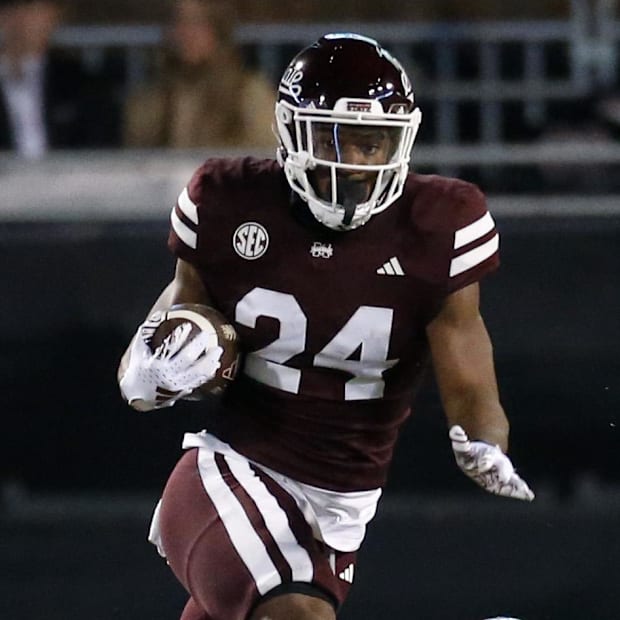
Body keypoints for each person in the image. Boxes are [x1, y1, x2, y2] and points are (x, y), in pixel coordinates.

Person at [118, 33, 535, 620]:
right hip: (229, 469)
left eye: (371, 144)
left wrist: (486, 441)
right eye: (333, 139)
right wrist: (149, 369)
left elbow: (470, 377)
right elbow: (174, 319)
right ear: (290, 132)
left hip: (340, 507)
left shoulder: (440, 225)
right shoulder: (229, 199)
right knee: (297, 614)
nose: (354, 163)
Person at [123, 0, 276, 150]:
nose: (186, 33)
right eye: (178, 21)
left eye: (198, 22)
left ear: (219, 30)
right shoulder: (150, 99)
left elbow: (269, 158)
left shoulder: (250, 94)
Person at [0, 0, 120, 158]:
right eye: (12, 9)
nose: (21, 20)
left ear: (53, 17)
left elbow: (102, 150)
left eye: (34, 10)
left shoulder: (84, 85)